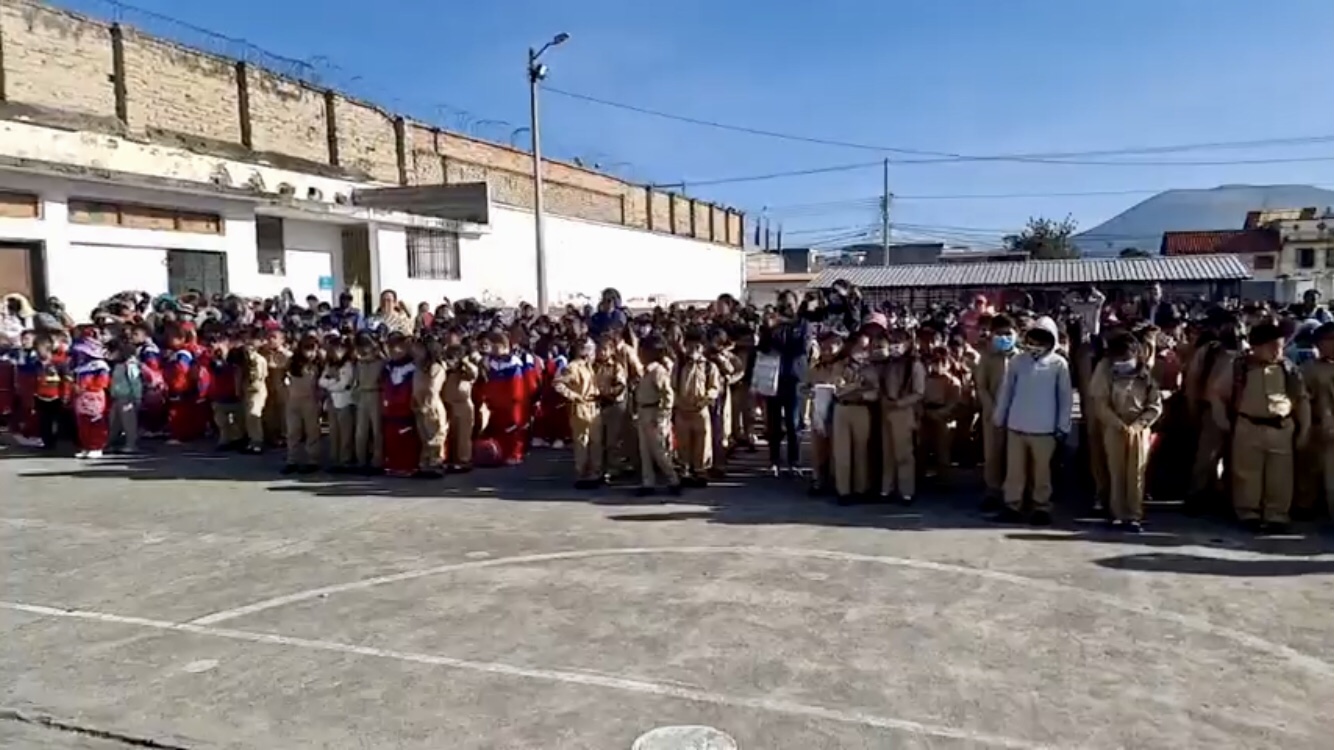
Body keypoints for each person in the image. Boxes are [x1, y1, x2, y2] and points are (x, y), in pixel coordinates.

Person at [1208, 322, 1310, 533]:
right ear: (1257, 346)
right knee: (1246, 472)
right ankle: (1249, 512)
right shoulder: (1239, 367)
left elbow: (1301, 399)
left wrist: (1304, 428)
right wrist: (1223, 421)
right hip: (1248, 425)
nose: (1277, 351)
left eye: (1280, 346)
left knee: (1280, 475)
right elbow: (1217, 394)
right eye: (1273, 346)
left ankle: (1276, 514)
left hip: (1281, 428)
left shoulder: (1288, 368)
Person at [992, 316, 1074, 526]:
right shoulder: (1018, 361)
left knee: (1042, 472)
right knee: (1015, 471)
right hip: (1016, 426)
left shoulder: (1059, 364)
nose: (1036, 346)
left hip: (1045, 429)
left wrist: (1063, 426)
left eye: (1041, 341)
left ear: (1051, 341)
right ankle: (1013, 505)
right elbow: (1006, 391)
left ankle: (1041, 507)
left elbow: (1065, 398)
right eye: (1033, 340)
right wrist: (999, 417)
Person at [1087, 332, 1163, 532]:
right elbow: (1100, 403)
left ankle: (1134, 515)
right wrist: (1117, 424)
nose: (1122, 362)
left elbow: (1155, 405)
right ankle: (1117, 513)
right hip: (1114, 427)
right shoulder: (1105, 370)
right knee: (1116, 471)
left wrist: (1139, 425)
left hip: (1139, 430)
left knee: (1136, 472)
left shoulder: (1145, 373)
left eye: (1125, 358)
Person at [974, 314, 1019, 509]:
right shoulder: (986, 358)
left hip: (1016, 414)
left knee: (1014, 454)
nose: (1004, 337)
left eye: (1008, 333)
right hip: (992, 413)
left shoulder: (1021, 358)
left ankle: (1013, 492)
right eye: (999, 334)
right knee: (993, 453)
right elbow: (981, 386)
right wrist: (991, 407)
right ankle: (992, 490)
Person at [830, 332, 878, 504]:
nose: (863, 351)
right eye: (860, 347)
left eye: (866, 348)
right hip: (842, 409)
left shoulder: (871, 368)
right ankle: (843, 491)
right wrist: (859, 385)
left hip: (862, 409)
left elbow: (875, 393)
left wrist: (859, 393)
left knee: (862, 451)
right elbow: (838, 390)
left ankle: (861, 489)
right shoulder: (839, 366)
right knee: (842, 452)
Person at [879, 326, 925, 503]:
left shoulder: (915, 364)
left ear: (908, 343)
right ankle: (887, 489)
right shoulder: (888, 363)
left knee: (904, 453)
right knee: (887, 452)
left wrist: (899, 403)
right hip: (887, 409)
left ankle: (906, 491)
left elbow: (919, 392)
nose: (894, 346)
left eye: (898, 342)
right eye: (892, 342)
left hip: (903, 411)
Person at [673, 328, 722, 487]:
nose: (693, 349)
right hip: (683, 410)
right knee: (683, 442)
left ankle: (700, 471)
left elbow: (715, 387)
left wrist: (707, 398)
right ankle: (685, 471)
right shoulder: (679, 365)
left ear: (702, 348)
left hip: (701, 410)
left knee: (702, 442)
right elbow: (672, 386)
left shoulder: (709, 366)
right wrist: (677, 402)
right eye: (690, 346)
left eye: (697, 346)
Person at [634, 334, 680, 496]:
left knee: (659, 450)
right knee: (644, 450)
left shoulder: (658, 371)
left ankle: (673, 478)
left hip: (654, 413)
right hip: (643, 411)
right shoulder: (645, 371)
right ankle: (648, 482)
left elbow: (667, 395)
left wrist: (662, 416)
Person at [1297, 322, 1334, 521]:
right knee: (1309, 471)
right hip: (1317, 426)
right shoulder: (1309, 369)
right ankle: (1306, 505)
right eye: (1328, 340)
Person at [554, 337, 600, 488]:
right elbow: (558, 383)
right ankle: (581, 474)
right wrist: (574, 396)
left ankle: (595, 473)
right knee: (582, 443)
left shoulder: (591, 366)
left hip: (594, 407)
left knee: (595, 443)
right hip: (581, 407)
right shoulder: (573, 367)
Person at [282, 334, 323, 474]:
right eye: (307, 349)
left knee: (312, 431)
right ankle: (292, 460)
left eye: (313, 349)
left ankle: (313, 460)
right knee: (293, 431)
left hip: (311, 401)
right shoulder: (292, 362)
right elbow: (283, 377)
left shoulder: (319, 363)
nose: (310, 353)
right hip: (293, 400)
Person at [441, 342, 480, 473]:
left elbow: (474, 373)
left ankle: (464, 460)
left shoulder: (465, 373)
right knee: (450, 435)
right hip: (447, 405)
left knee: (463, 435)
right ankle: (450, 459)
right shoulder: (446, 371)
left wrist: (465, 361)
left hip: (463, 405)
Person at [319, 336, 356, 472]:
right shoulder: (329, 365)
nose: (336, 352)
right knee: (333, 432)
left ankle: (345, 460)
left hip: (345, 401)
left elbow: (344, 384)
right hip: (332, 402)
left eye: (339, 349)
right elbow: (321, 381)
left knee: (345, 433)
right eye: (334, 349)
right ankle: (334, 459)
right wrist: (332, 382)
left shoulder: (348, 365)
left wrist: (331, 383)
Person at [352, 332, 385, 474]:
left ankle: (377, 461)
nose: (365, 348)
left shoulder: (381, 361)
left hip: (376, 393)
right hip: (362, 394)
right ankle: (361, 461)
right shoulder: (359, 362)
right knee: (361, 431)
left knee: (377, 429)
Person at [106, 338, 143, 454]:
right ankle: (111, 442)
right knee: (114, 422)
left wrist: (137, 398)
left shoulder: (130, 365)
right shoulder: (117, 365)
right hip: (116, 397)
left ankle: (131, 444)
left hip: (127, 398)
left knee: (129, 423)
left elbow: (135, 383)